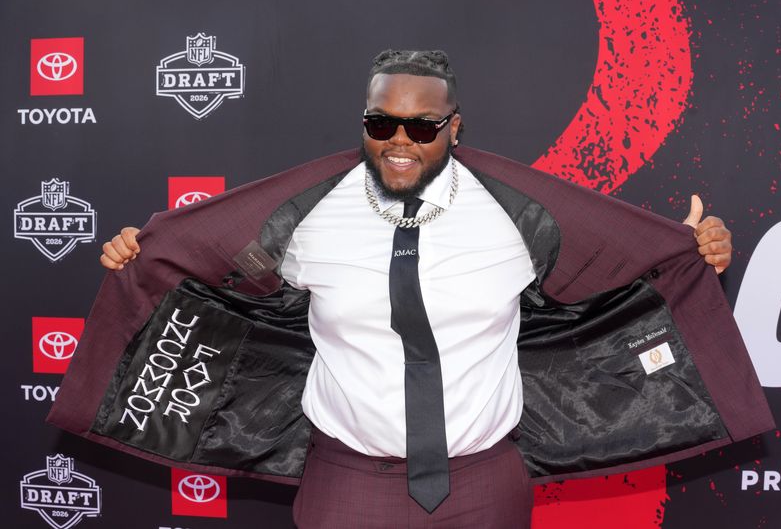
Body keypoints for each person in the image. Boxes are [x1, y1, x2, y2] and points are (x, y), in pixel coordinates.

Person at [88, 50, 744, 528]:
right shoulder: (305, 216)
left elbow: (613, 265)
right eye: (381, 124)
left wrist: (688, 249)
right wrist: (143, 254)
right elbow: (218, 268)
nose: (400, 142)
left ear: (455, 127)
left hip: (485, 485)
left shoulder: (519, 214)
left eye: (423, 126)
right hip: (346, 486)